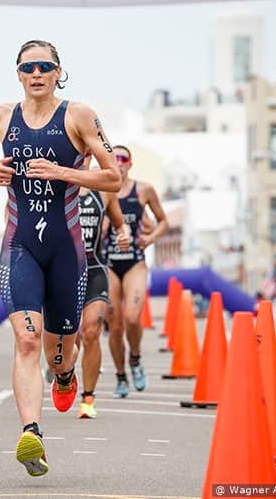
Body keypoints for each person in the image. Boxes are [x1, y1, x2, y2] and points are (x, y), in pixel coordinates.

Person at [0, 39, 121, 477]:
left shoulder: (80, 116)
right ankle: (31, 432)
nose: (37, 74)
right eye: (28, 67)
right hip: (20, 246)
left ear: (59, 73)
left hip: (66, 251)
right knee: (26, 340)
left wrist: (63, 172)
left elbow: (113, 177)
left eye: (45, 67)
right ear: (18, 73)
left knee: (59, 353)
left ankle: (66, 376)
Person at [103, 145, 168, 399]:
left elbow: (163, 221)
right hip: (108, 262)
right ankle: (121, 376)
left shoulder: (143, 190)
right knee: (114, 324)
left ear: (130, 164)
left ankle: (135, 358)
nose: (118, 162)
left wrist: (150, 238)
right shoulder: (101, 190)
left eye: (122, 159)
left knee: (132, 318)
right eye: (113, 158)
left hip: (134, 262)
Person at [74, 152, 130, 419]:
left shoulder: (104, 190)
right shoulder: (58, 186)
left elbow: (120, 224)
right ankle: (64, 375)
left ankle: (88, 399)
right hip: (63, 273)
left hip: (94, 269)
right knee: (68, 342)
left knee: (91, 331)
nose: (83, 156)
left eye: (87, 151)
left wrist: (123, 235)